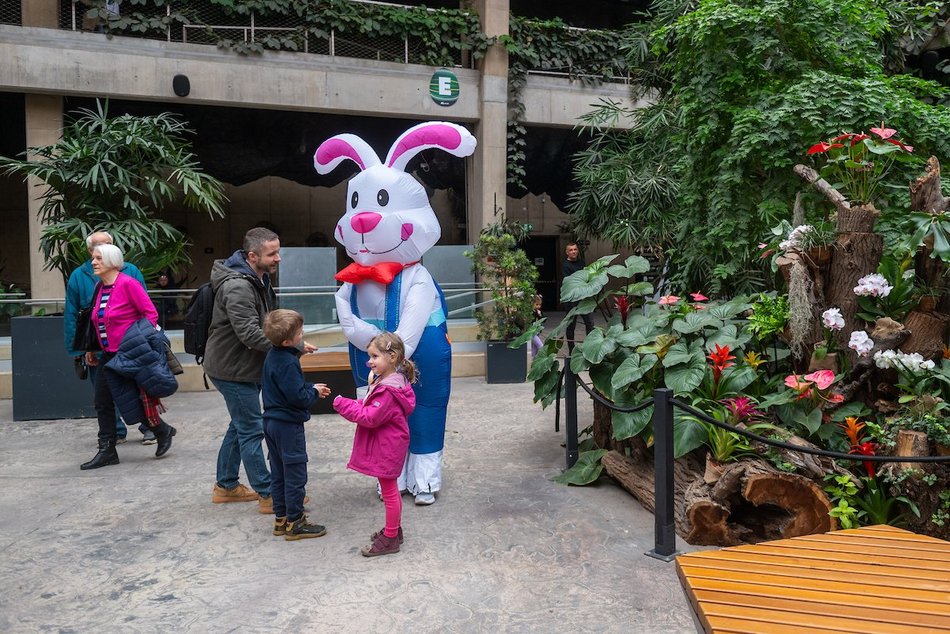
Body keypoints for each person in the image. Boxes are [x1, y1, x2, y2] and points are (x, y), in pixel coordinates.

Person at [205, 227, 315, 513]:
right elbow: (249, 333)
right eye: (272, 253)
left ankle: (226, 485)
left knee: (240, 424)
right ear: (252, 256)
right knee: (251, 430)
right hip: (232, 369)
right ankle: (269, 494)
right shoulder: (238, 287)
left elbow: (267, 322)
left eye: (278, 251)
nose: (278, 258)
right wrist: (293, 345)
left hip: (243, 366)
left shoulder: (259, 278)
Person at [80, 244, 177, 470]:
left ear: (112, 261)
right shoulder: (99, 287)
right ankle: (108, 450)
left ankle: (160, 430)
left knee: (129, 400)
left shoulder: (128, 284)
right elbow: (97, 322)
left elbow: (150, 314)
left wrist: (137, 340)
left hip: (129, 353)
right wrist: (91, 348)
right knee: (103, 401)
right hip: (109, 355)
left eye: (98, 258)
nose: (93, 262)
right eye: (93, 258)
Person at [65, 230, 156, 445]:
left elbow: (147, 311)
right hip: (101, 347)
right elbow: (74, 314)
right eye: (97, 248)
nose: (101, 251)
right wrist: (81, 349)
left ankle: (152, 427)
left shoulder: (130, 274)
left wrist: (142, 339)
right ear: (89, 250)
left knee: (138, 388)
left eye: (107, 245)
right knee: (103, 396)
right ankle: (113, 434)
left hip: (130, 346)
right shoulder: (82, 276)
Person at [333, 332, 416, 557]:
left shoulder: (388, 390)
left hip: (387, 446)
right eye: (369, 356)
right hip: (388, 444)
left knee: (389, 492)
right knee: (390, 490)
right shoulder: (390, 381)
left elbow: (370, 416)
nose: (369, 361)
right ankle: (394, 530)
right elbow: (371, 404)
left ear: (392, 357)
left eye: (374, 356)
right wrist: (355, 403)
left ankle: (390, 539)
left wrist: (342, 404)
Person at [260, 309, 331, 540]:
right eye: (300, 334)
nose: (303, 336)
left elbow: (285, 386)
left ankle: (281, 519)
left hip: (271, 423)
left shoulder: (273, 355)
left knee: (279, 473)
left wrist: (300, 352)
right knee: (295, 474)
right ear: (287, 341)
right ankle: (296, 522)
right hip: (288, 426)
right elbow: (298, 397)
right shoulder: (288, 363)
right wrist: (313, 392)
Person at [562, 242, 593, 351]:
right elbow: (570, 282)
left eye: (575, 249)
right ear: (567, 252)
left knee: (590, 323)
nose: (573, 252)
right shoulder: (566, 265)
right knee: (571, 325)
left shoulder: (582, 262)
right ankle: (571, 350)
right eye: (571, 250)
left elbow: (586, 277)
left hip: (584, 298)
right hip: (572, 300)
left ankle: (589, 347)